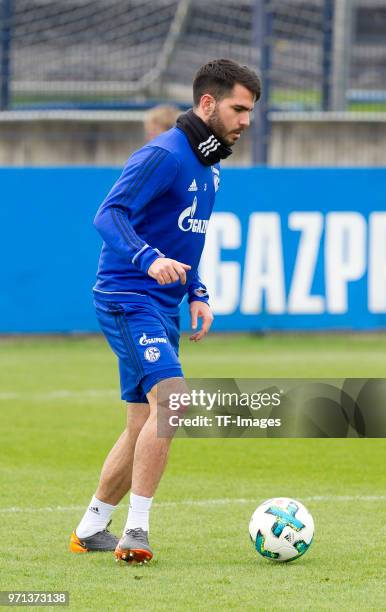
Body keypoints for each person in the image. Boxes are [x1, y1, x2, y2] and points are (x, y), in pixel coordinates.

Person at [69, 58, 261, 563]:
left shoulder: (210, 167)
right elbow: (108, 214)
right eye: (239, 109)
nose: (246, 121)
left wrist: (197, 291)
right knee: (173, 402)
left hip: (161, 304)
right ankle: (136, 531)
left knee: (141, 423)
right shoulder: (164, 154)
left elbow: (188, 239)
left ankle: (91, 527)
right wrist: (147, 259)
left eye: (250, 112)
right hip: (126, 296)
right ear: (207, 103)